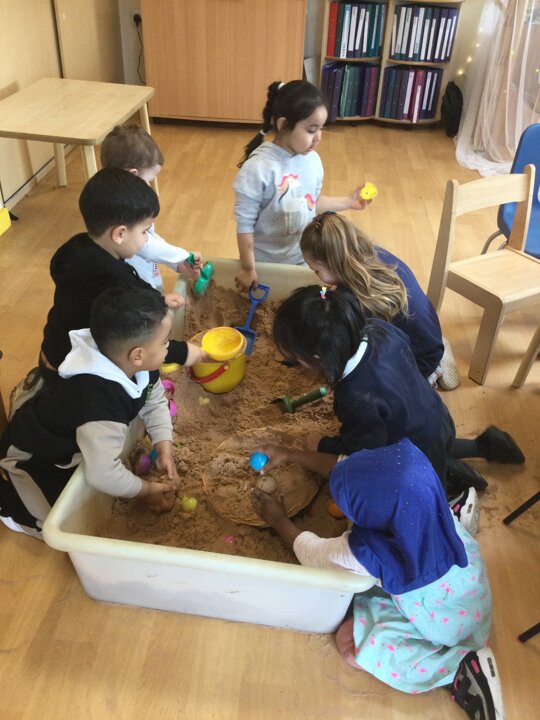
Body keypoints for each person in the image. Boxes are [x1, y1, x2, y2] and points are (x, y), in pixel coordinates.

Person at [250, 439, 504, 720]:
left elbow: (313, 554)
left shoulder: (367, 552)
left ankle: (460, 671)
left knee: (350, 642)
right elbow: (348, 467)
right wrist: (289, 454)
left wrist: (278, 520)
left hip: (443, 623)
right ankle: (455, 511)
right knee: (407, 496)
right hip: (465, 574)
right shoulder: (417, 481)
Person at [273, 285, 525, 495]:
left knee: (420, 487)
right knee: (439, 444)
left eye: (295, 361)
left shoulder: (356, 398)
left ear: (319, 357)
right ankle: (484, 446)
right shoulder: (378, 329)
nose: (295, 367)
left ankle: (451, 481)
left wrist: (323, 444)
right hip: (436, 416)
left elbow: (362, 451)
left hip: (415, 453)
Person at [0, 287, 179, 538]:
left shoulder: (135, 363)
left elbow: (154, 399)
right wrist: (146, 490)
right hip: (32, 455)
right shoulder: (99, 403)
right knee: (53, 529)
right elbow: (103, 475)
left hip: (74, 441)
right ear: (137, 354)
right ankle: (9, 508)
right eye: (165, 342)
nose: (169, 347)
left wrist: (163, 445)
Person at [38, 167, 205, 386]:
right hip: (71, 372)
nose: (147, 240)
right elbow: (142, 338)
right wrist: (185, 353)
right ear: (119, 234)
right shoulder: (110, 280)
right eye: (144, 232)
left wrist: (158, 298)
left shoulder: (81, 247)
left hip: (52, 348)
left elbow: (129, 280)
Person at [233, 80, 372, 292]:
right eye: (311, 130)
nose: (318, 138)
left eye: (321, 128)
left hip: (302, 259)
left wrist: (348, 202)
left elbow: (309, 204)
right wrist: (247, 268)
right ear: (283, 125)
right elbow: (245, 226)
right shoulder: (258, 169)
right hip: (264, 265)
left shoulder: (312, 161)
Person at [300, 210, 459, 389]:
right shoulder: (374, 254)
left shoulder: (359, 300)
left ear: (333, 263)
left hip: (419, 360)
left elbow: (352, 349)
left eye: (316, 270)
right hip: (428, 335)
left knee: (368, 385)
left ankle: (434, 369)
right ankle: (437, 352)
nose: (315, 275)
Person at [100, 124, 203, 292]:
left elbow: (149, 237)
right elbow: (146, 246)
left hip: (143, 269)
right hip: (134, 281)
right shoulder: (123, 210)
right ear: (132, 174)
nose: (149, 185)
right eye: (149, 179)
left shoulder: (123, 198)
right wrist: (181, 256)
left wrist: (177, 263)